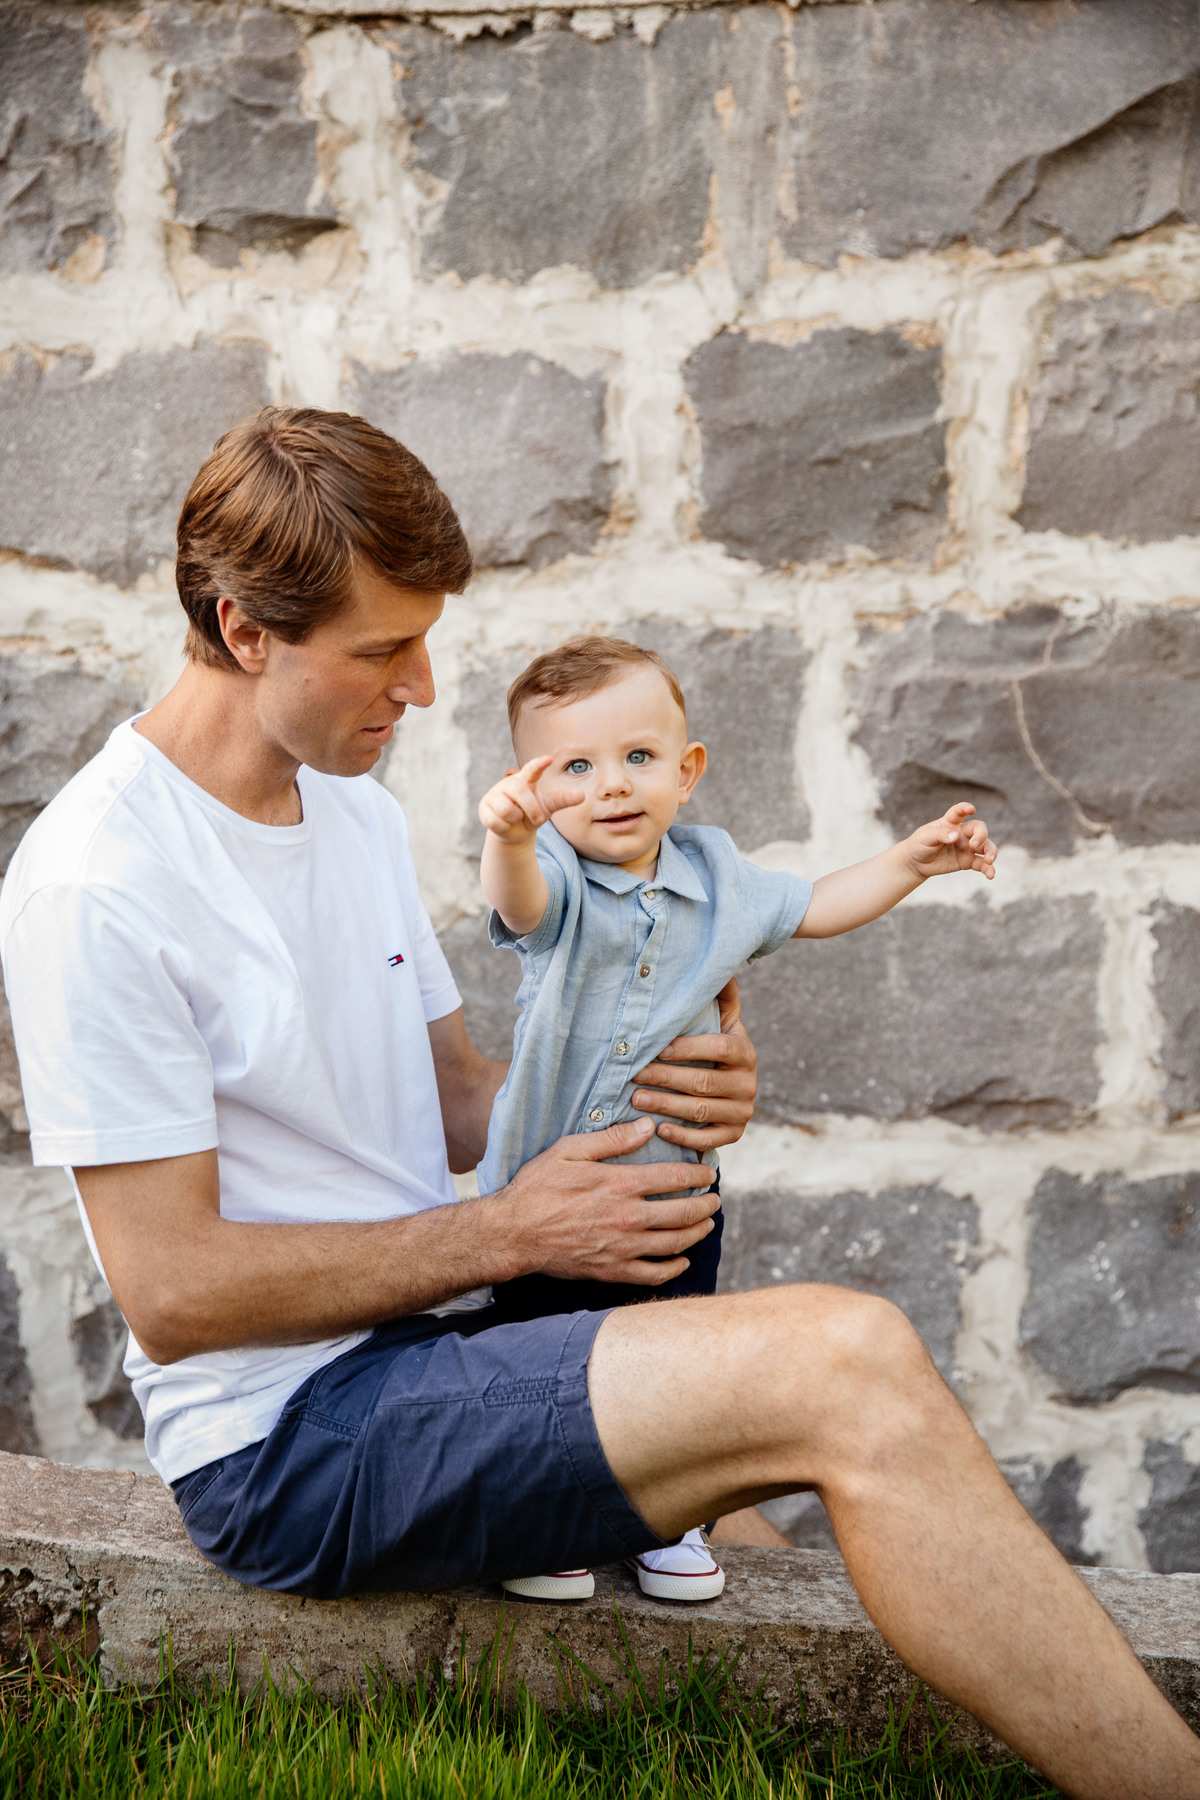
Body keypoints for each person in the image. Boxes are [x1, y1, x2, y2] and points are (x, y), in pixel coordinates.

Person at [0, 409, 1195, 1800]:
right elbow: (173, 1293)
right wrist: (508, 1232)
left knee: (764, 1505)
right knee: (843, 1363)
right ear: (244, 629)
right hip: (288, 1442)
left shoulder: (351, 809)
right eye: (385, 651)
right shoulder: (98, 881)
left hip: (447, 1343)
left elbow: (464, 1101)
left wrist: (659, 1088)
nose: (425, 688)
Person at [475, 636, 996, 1605]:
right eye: (573, 768)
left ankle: (666, 1525)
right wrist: (506, 837)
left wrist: (911, 862)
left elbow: (819, 904)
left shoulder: (720, 879)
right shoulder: (555, 871)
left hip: (674, 1195)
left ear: (687, 771)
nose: (610, 785)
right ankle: (542, 1530)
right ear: (535, 789)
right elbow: (522, 905)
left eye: (638, 757)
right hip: (548, 1197)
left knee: (673, 1365)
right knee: (539, 1364)